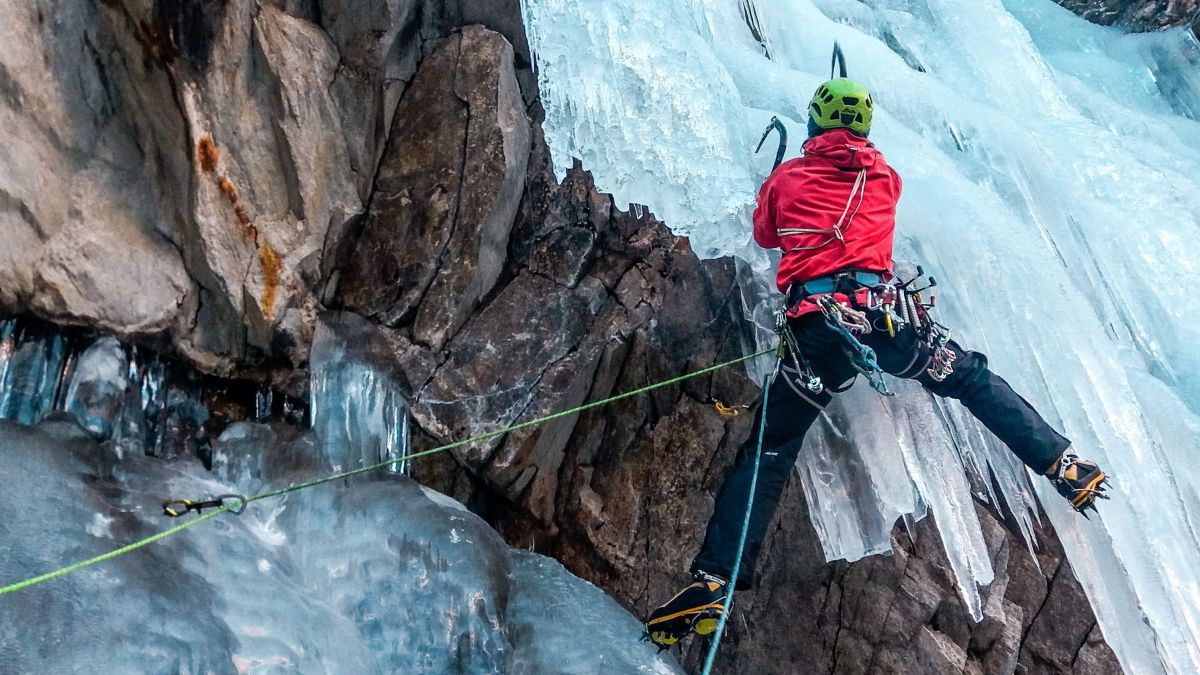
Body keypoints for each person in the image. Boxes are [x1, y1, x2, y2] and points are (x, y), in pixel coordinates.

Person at [644, 76, 1109, 650]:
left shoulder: (789, 180)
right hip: (890, 322)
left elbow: (767, 233)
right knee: (969, 379)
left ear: (814, 122)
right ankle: (1062, 463)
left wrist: (780, 178)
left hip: (818, 332)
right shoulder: (884, 177)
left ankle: (714, 580)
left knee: (771, 446)